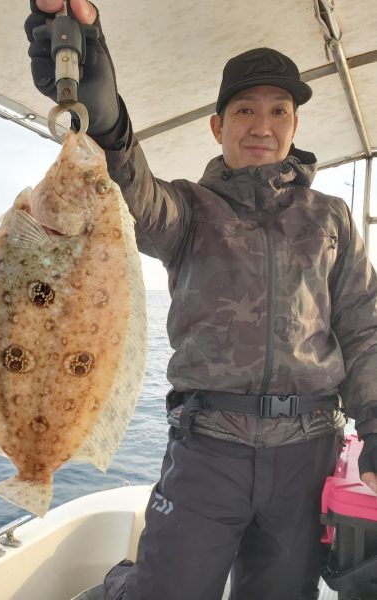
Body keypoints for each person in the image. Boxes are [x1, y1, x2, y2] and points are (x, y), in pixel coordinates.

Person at [25, 2, 377, 598]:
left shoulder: (332, 218)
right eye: (244, 110)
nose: (261, 126)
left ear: (294, 126)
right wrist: (108, 123)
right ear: (218, 125)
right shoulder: (188, 209)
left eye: (278, 112)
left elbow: (362, 328)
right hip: (207, 449)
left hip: (307, 453)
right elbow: (130, 195)